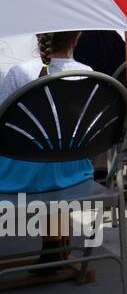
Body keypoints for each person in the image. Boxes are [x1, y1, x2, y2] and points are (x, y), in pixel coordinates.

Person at [0, 32, 94, 193]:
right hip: (70, 169)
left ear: (38, 36)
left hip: (19, 173)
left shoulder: (19, 72)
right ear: (76, 38)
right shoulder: (87, 73)